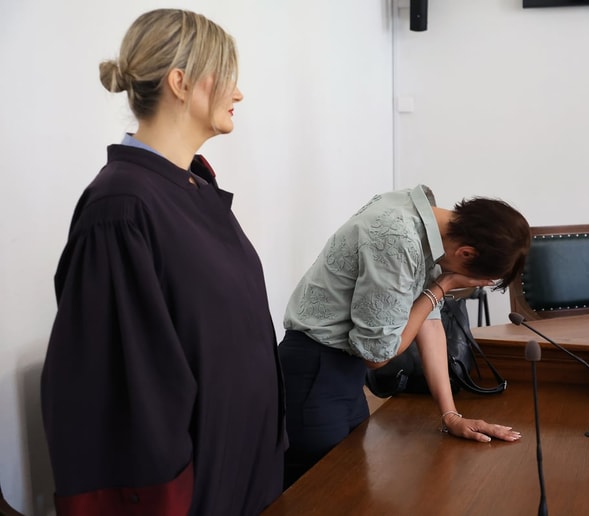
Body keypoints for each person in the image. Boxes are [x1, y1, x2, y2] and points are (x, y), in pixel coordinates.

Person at [40, 9, 285, 515]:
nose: (238, 94)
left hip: (247, 472)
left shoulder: (191, 186)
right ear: (181, 82)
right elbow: (125, 393)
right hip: (197, 493)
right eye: (228, 78)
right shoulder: (121, 208)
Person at [279, 185, 530, 487]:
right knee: (317, 494)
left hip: (343, 373)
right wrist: (444, 283)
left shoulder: (422, 220)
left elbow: (429, 320)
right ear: (466, 253)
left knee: (350, 491)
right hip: (315, 372)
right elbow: (378, 355)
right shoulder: (398, 239)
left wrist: (451, 415)